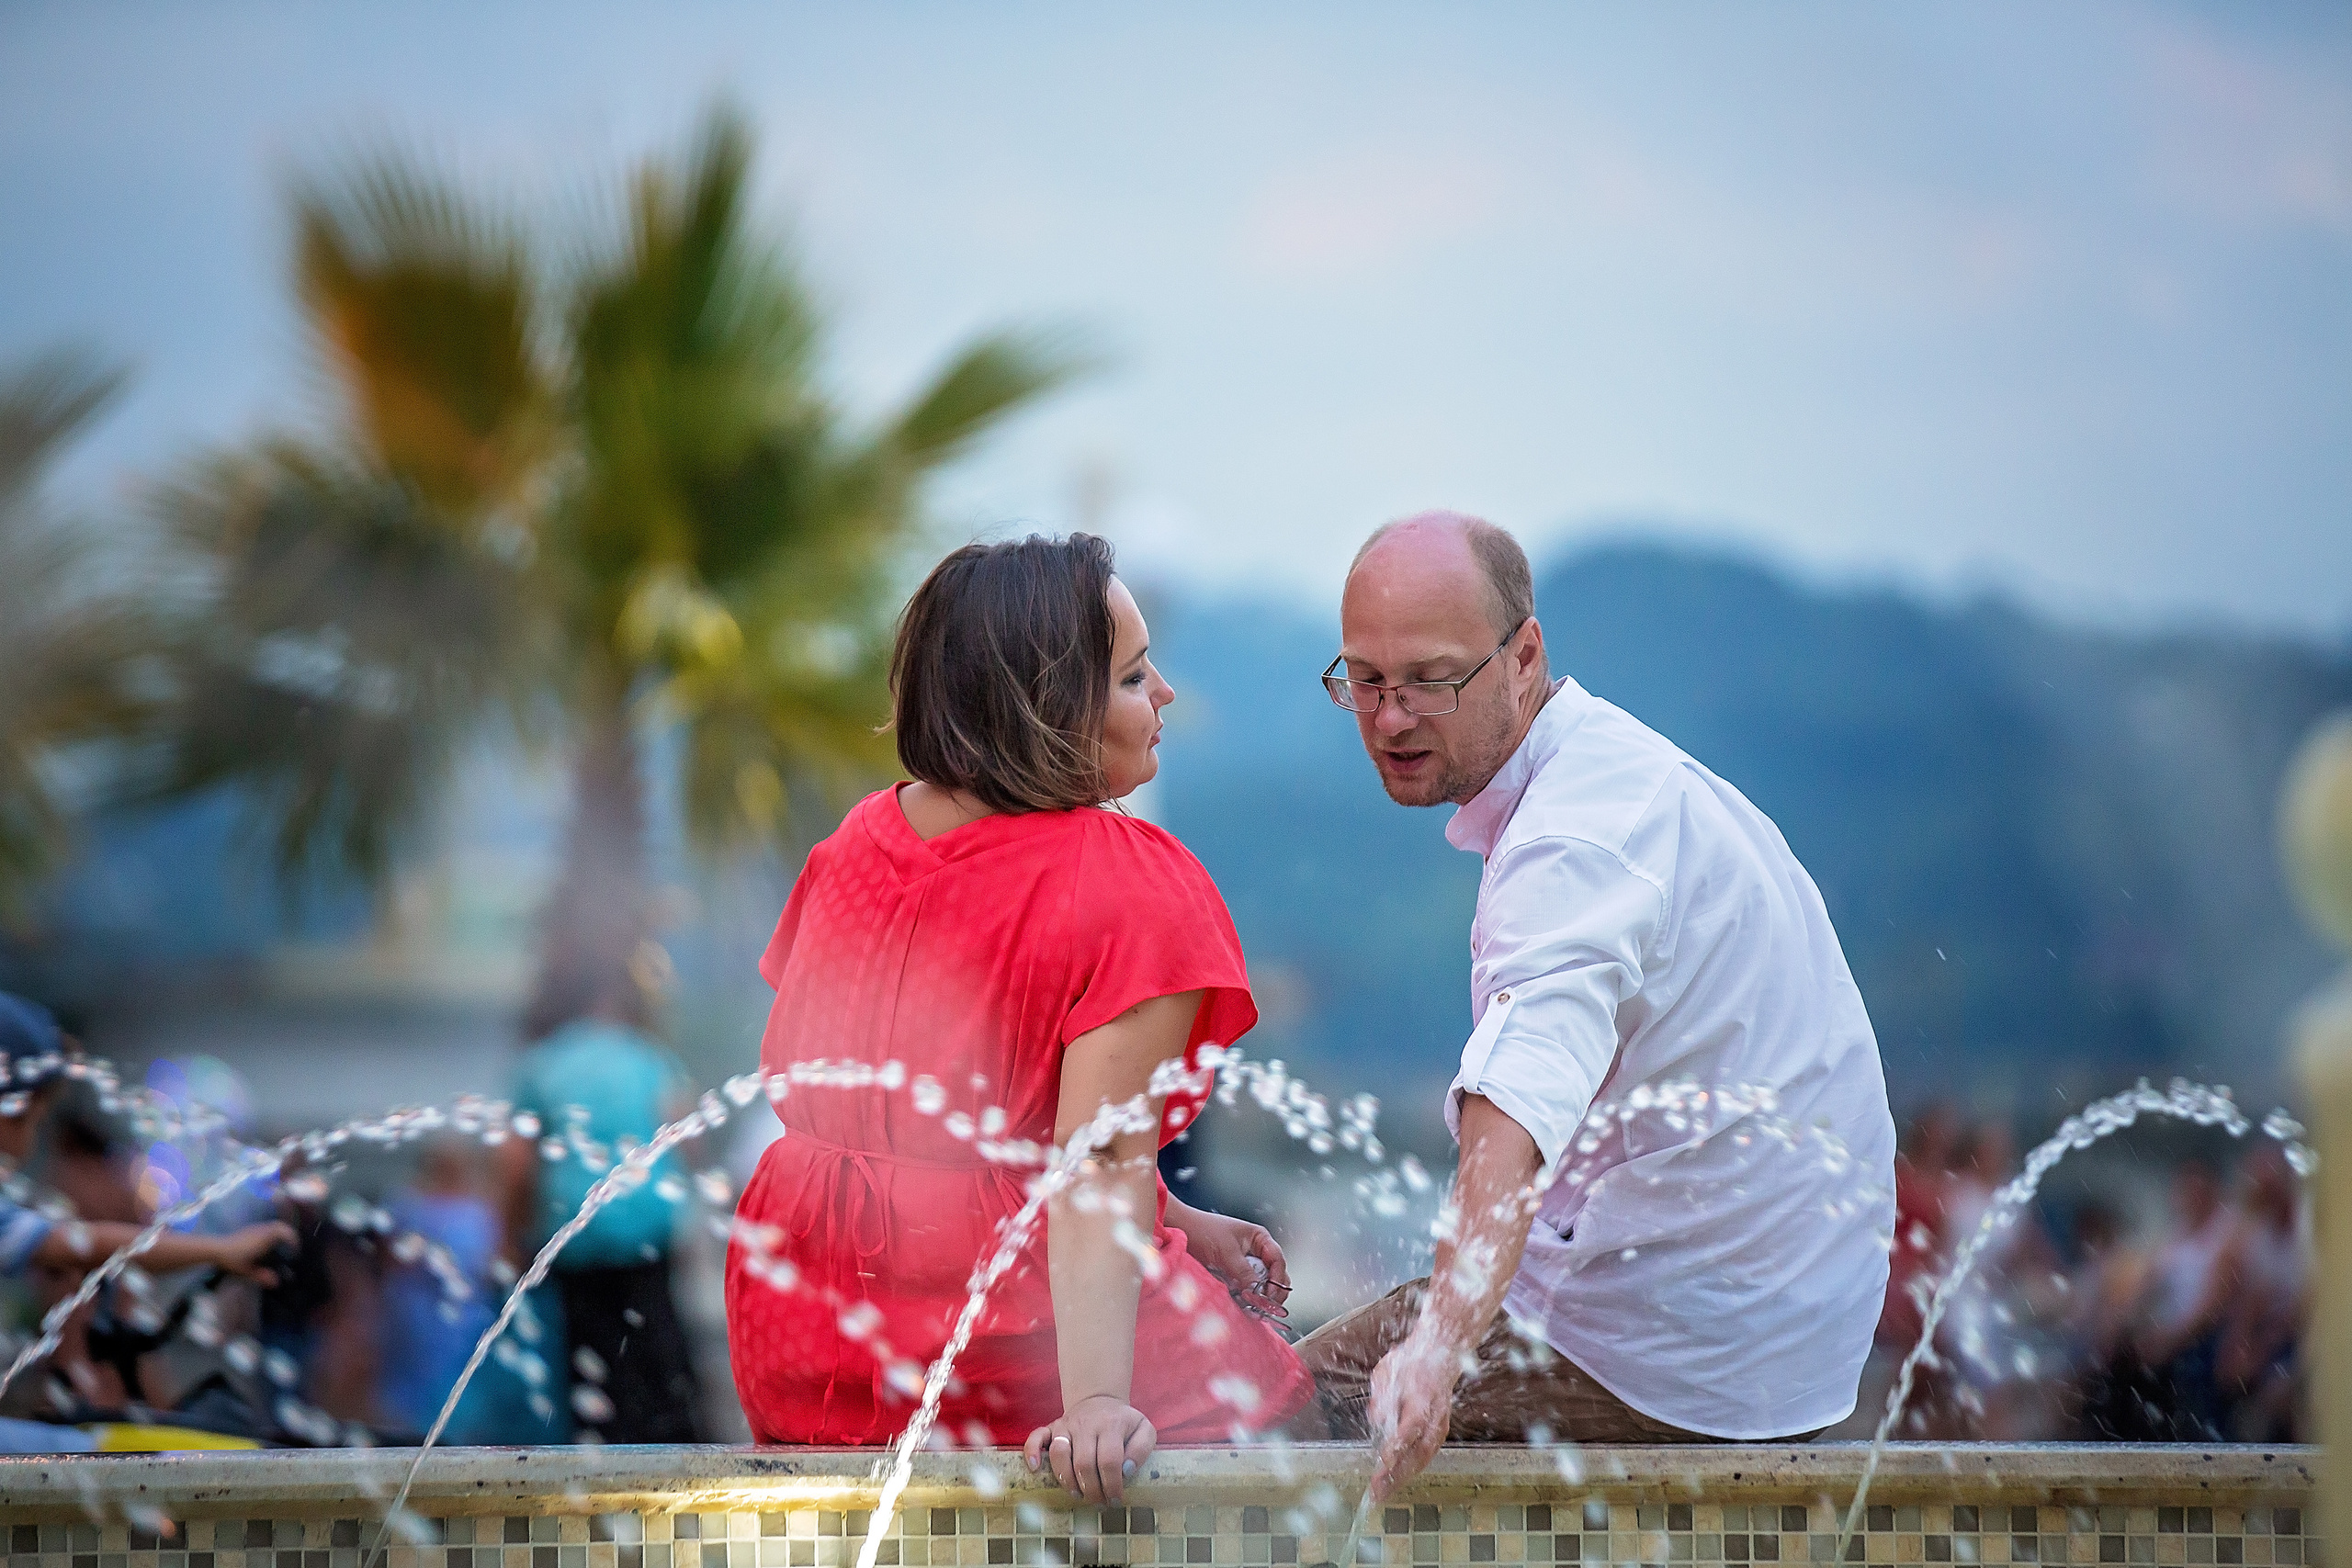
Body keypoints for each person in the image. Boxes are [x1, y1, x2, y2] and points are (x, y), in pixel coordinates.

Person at [1295, 512, 1896, 1498]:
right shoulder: (1611, 773)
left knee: (1267, 1414)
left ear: (1524, 656)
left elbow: (1518, 1103)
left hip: (1688, 1345)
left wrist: (1440, 1343)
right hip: (1762, 1323)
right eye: (1363, 679)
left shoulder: (1573, 843)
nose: (1390, 717)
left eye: (1431, 680)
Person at [726, 534, 1310, 1500]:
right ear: (1045, 709)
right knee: (1300, 1419)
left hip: (807, 1349)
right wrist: (1091, 1403)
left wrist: (1172, 1221)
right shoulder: (1121, 880)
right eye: (1130, 677)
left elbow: (933, 1128)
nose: (1163, 694)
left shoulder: (854, 848)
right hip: (1000, 1345)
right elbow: (1098, 1165)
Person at [501, 970, 697, 1444]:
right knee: (659, 1371)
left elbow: (516, 1163)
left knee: (586, 1373)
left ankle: (594, 1480)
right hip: (647, 1239)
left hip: (575, 1241)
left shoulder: (542, 1064)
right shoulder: (649, 1058)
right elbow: (688, 1143)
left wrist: (509, 1236)